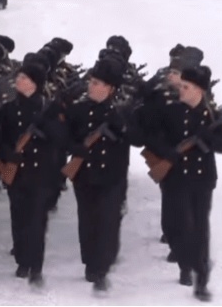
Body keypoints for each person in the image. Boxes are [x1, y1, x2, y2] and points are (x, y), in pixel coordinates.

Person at [140, 66, 222, 301]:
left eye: (185, 86)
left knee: (199, 228)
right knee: (174, 225)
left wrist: (209, 140)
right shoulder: (170, 112)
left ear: (198, 90)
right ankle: (182, 259)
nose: (180, 89)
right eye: (180, 85)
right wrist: (167, 152)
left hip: (202, 179)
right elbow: (150, 137)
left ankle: (200, 278)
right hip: (175, 177)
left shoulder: (212, 114)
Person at [0, 60, 67, 286]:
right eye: (19, 77)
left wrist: (46, 128)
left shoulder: (50, 108)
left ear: (35, 83)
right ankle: (22, 261)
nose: (18, 81)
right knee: (19, 218)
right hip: (16, 172)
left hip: (41, 173)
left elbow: (61, 140)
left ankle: (35, 266)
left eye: (24, 78)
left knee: (37, 221)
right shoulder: (9, 108)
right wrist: (7, 154)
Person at [64, 57, 129, 292]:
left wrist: (120, 125)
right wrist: (76, 148)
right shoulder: (78, 110)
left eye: (97, 83)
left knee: (108, 223)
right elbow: (64, 136)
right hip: (85, 175)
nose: (91, 86)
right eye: (91, 81)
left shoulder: (120, 113)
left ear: (110, 88)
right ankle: (91, 263)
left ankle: (102, 268)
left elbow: (134, 141)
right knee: (88, 221)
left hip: (111, 177)